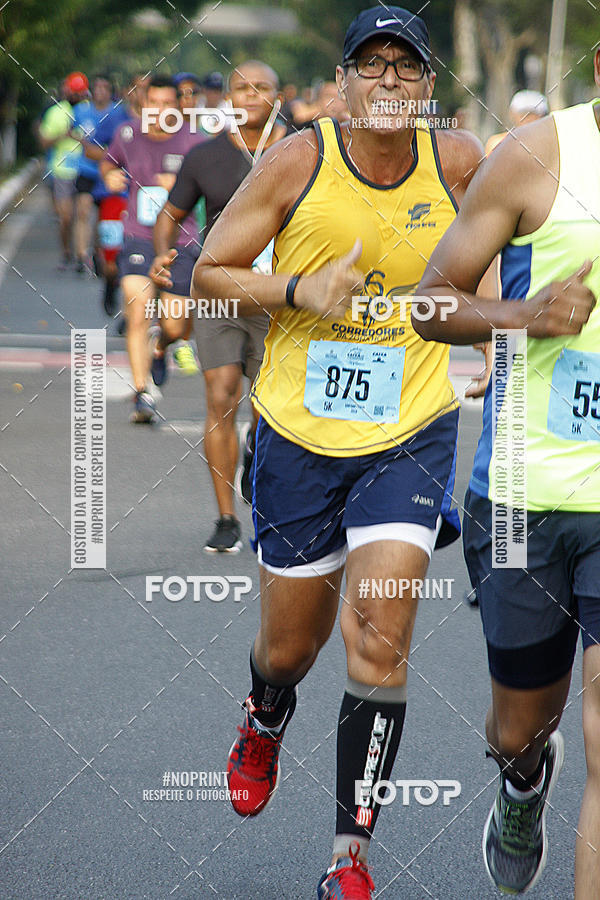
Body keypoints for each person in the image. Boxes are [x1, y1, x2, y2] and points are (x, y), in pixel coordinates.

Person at [190, 7, 487, 896]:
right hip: (299, 436)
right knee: (291, 648)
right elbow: (209, 270)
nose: (389, 84)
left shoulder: (463, 162)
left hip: (412, 429)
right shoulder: (298, 161)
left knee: (381, 639)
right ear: (343, 80)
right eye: (372, 66)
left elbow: (520, 251)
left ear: (428, 86)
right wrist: (296, 287)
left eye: (406, 69)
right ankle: (264, 711)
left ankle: (347, 858)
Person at [416, 49, 600, 899]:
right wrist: (526, 315)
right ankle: (522, 782)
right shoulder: (532, 157)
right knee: (522, 724)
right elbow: (429, 302)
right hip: (523, 497)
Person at [150, 60, 286, 552]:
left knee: (272, 407)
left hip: (281, 300)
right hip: (218, 296)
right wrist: (164, 252)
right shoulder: (205, 156)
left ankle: (257, 456)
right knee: (221, 394)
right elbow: (171, 215)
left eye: (262, 89)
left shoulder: (301, 152)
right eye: (240, 89)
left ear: (280, 97)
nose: (251, 96)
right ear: (228, 97)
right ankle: (227, 516)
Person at [100, 75, 203, 423]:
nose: (158, 111)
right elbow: (108, 163)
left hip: (181, 241)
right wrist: (109, 176)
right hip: (139, 236)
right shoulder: (127, 134)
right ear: (142, 104)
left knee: (175, 326)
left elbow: (213, 187)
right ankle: (142, 393)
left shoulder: (193, 141)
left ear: (178, 107)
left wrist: (185, 186)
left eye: (166, 104)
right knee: (137, 307)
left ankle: (161, 349)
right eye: (152, 103)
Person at [71, 74, 124, 274]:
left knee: (103, 217)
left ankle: (97, 252)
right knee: (83, 211)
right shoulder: (80, 111)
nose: (100, 91)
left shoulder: (117, 113)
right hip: (86, 169)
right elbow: (71, 131)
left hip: (108, 172)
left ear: (110, 91)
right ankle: (81, 257)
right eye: (97, 87)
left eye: (105, 88)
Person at [38, 72, 89, 269]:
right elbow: (44, 141)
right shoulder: (57, 112)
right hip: (62, 171)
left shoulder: (89, 111)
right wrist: (63, 135)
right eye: (73, 91)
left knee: (83, 214)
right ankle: (66, 251)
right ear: (67, 91)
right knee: (66, 217)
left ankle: (82, 255)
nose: (77, 95)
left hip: (85, 171)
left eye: (80, 91)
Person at [485, 89, 549, 156]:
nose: (528, 119)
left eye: (532, 114)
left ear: (542, 117)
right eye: (523, 114)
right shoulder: (497, 143)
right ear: (512, 114)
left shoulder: (550, 145)